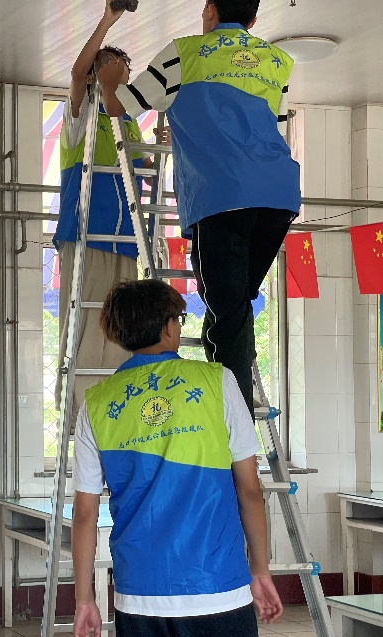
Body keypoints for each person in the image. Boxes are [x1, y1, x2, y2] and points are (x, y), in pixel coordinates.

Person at [98, 0, 301, 417]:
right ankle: (227, 383)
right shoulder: (278, 61)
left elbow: (119, 106)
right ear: (253, 20)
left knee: (229, 309)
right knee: (233, 304)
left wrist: (107, 80)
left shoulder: (184, 53)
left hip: (222, 196)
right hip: (278, 194)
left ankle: (232, 418)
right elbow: (273, 128)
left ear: (209, 10)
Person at [71, 279, 281, 637]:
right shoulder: (218, 382)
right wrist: (260, 569)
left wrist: (84, 599)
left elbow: (84, 514)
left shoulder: (96, 403)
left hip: (139, 594)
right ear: (168, 326)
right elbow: (250, 491)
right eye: (179, 320)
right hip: (218, 587)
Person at [55, 0, 161, 427]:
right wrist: (108, 20)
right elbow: (76, 75)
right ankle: (79, 413)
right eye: (114, 68)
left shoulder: (128, 122)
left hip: (127, 238)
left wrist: (159, 148)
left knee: (122, 325)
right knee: (86, 325)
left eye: (125, 73)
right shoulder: (81, 116)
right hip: (87, 234)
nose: (122, 77)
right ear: (97, 74)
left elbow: (144, 171)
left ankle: (118, 411)